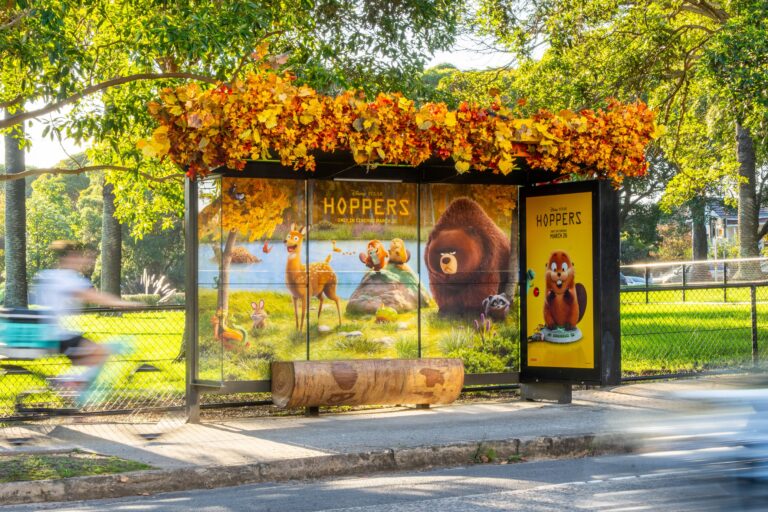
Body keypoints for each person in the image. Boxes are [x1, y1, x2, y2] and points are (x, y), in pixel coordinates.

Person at [32, 241, 140, 390]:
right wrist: (126, 304)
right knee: (100, 353)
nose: (82, 261)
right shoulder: (69, 278)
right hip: (60, 336)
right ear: (69, 257)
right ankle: (64, 383)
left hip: (45, 332)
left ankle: (70, 385)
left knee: (90, 357)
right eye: (79, 257)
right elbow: (94, 297)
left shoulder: (47, 275)